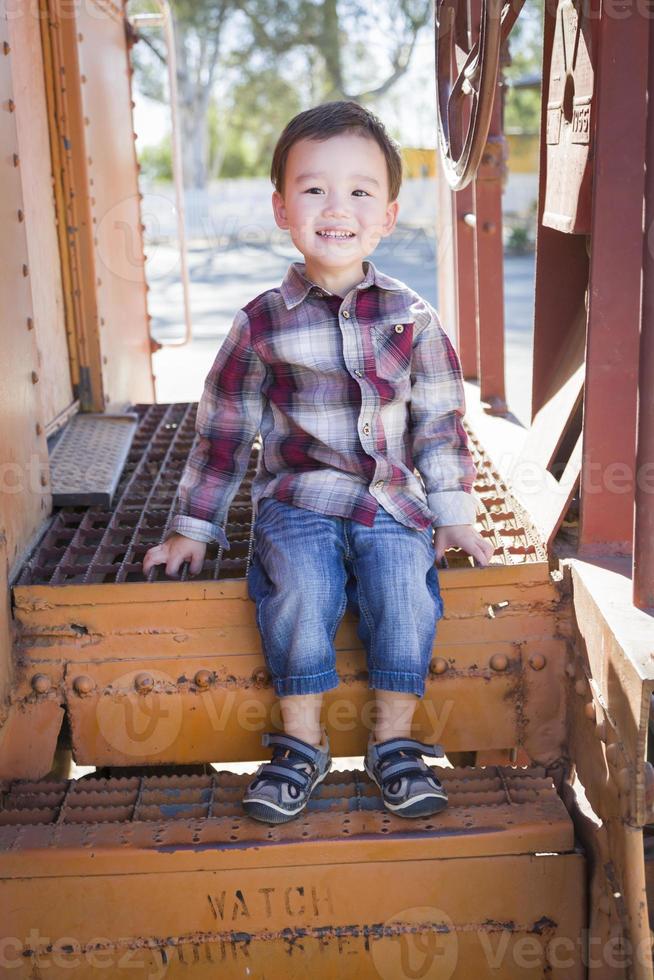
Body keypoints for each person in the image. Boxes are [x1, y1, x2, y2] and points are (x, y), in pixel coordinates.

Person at [143, 100, 494, 824]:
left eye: (361, 191)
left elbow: (438, 422)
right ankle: (299, 743)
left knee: (405, 588)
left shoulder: (412, 317)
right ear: (281, 208)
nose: (337, 208)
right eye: (313, 190)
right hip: (298, 501)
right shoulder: (262, 320)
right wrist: (192, 528)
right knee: (299, 588)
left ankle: (394, 742)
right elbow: (225, 430)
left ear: (389, 215)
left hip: (391, 501)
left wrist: (454, 514)